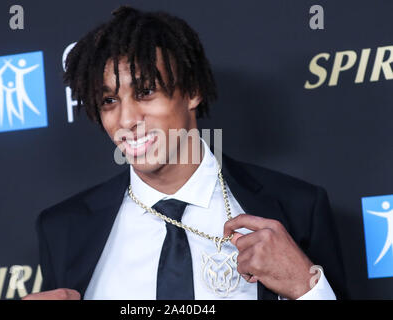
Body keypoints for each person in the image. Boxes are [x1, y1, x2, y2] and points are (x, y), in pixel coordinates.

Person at [23, 5, 346, 300]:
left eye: (146, 91)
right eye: (109, 101)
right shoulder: (63, 229)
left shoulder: (296, 208)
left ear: (192, 92)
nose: (126, 120)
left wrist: (307, 289)